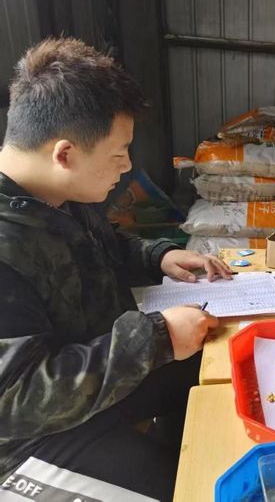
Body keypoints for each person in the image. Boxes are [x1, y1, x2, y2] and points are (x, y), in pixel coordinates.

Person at [0, 38, 232, 501]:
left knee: (219, 365)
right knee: (190, 487)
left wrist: (157, 256)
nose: (126, 166)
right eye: (118, 153)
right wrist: (157, 337)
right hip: (31, 436)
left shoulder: (56, 194)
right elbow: (17, 399)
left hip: (98, 372)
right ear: (65, 154)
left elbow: (97, 249)